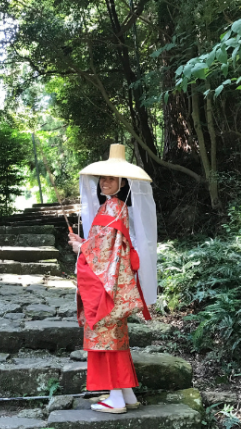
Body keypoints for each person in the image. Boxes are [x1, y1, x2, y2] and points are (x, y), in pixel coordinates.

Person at [68, 144, 157, 414]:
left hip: (106, 285)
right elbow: (103, 246)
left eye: (110, 179)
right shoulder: (115, 208)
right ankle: (126, 394)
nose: (104, 183)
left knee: (105, 338)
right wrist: (83, 242)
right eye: (102, 178)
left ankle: (116, 398)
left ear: (121, 182)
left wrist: (81, 248)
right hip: (114, 282)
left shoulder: (112, 209)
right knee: (116, 339)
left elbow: (102, 252)